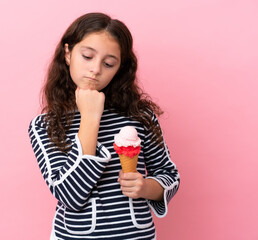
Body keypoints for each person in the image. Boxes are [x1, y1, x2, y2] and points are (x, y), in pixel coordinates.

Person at [28, 12, 180, 240]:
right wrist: (90, 119)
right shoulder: (45, 125)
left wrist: (146, 187)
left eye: (108, 63)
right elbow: (70, 195)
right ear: (68, 53)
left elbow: (169, 174)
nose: (96, 69)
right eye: (87, 56)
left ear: (119, 68)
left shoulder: (140, 116)